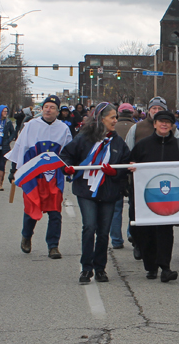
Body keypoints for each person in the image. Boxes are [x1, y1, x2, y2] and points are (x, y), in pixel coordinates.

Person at [60, 102, 130, 284]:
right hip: (87, 190)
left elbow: (126, 163)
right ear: (101, 118)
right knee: (89, 226)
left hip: (108, 191)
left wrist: (115, 172)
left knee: (103, 231)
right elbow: (66, 156)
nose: (115, 120)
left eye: (116, 117)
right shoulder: (84, 138)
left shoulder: (117, 142)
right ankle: (86, 268)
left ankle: (100, 268)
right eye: (112, 117)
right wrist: (67, 168)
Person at [128, 111, 179, 283]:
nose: (164, 125)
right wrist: (132, 167)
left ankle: (165, 267)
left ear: (172, 126)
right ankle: (151, 266)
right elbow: (130, 163)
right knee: (145, 233)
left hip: (168, 198)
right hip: (146, 197)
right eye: (161, 122)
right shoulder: (143, 145)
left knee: (165, 232)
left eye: (168, 122)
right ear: (155, 124)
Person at [5, 95, 72, 259]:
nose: (48, 110)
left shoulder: (63, 129)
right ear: (42, 109)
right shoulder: (30, 126)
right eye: (46, 106)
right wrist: (15, 170)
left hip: (53, 177)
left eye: (52, 107)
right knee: (31, 210)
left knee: (55, 212)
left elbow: (69, 152)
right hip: (33, 176)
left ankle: (53, 246)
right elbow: (20, 148)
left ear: (58, 111)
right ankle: (26, 236)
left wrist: (70, 170)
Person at [109, 102, 137, 249]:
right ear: (132, 113)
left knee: (116, 207)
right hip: (133, 171)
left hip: (116, 171)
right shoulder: (136, 128)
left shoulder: (113, 128)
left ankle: (116, 239)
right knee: (134, 206)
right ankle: (130, 232)